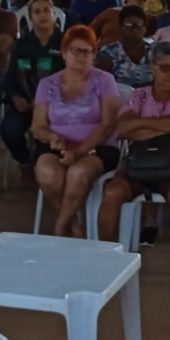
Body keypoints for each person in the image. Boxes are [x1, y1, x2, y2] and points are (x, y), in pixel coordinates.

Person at [98, 41, 170, 273]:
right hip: (138, 165)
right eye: (165, 68)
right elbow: (123, 128)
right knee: (112, 191)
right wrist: (169, 129)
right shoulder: (138, 95)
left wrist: (141, 127)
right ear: (153, 67)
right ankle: (106, 259)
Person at [32, 25, 121, 236]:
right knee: (47, 173)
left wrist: (80, 151)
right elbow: (38, 126)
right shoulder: (47, 84)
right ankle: (73, 223)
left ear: (94, 55)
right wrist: (52, 137)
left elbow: (109, 124)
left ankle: (61, 226)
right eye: (75, 50)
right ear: (64, 53)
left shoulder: (104, 81)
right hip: (57, 145)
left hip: (97, 146)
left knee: (78, 173)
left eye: (87, 51)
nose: (81, 56)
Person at [0, 0, 65, 177]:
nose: (42, 15)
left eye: (46, 10)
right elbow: (10, 77)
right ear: (30, 17)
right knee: (9, 131)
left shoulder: (65, 44)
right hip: (24, 105)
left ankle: (48, 166)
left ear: (54, 14)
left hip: (56, 108)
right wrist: (15, 97)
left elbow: (71, 79)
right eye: (37, 12)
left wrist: (43, 103)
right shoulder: (21, 45)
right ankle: (25, 161)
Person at [96, 5, 154, 88]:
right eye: (129, 24)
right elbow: (101, 85)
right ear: (121, 27)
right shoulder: (109, 52)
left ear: (145, 28)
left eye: (139, 24)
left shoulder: (156, 51)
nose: (134, 27)